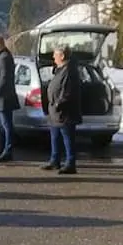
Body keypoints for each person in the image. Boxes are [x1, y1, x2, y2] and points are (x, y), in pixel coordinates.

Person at [44, 46, 81, 174]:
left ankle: (70, 163)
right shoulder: (60, 70)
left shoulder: (70, 71)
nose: (53, 57)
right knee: (55, 136)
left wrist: (59, 103)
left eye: (55, 55)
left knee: (68, 138)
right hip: (55, 111)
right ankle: (55, 160)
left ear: (62, 56)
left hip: (65, 111)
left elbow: (68, 91)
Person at [0, 35, 19, 163]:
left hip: (4, 98)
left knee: (7, 126)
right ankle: (2, 150)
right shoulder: (1, 57)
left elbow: (4, 78)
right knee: (2, 126)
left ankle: (8, 151)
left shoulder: (4, 57)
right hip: (1, 98)